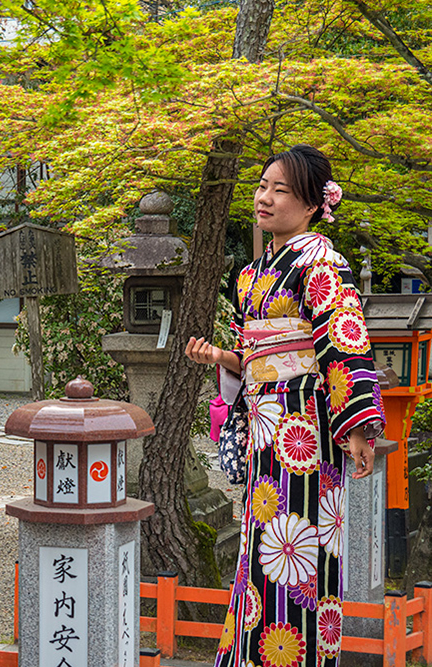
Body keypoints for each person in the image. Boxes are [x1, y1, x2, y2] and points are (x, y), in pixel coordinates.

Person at [185, 144, 385, 665]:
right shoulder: (252, 273)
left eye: (281, 191)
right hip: (265, 424)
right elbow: (255, 354)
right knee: (261, 547)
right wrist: (223, 357)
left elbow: (343, 340)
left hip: (306, 427)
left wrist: (359, 426)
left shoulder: (321, 261)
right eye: (263, 186)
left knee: (299, 546)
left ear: (315, 203)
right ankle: (253, 653)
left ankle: (296, 655)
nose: (264, 198)